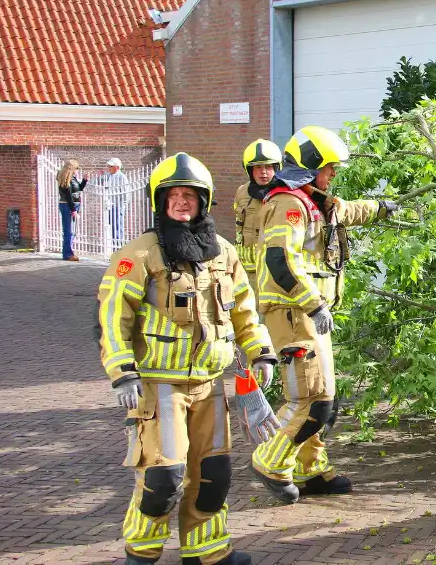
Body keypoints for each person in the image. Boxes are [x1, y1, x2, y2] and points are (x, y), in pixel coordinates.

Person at [98, 152, 278, 565]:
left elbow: (244, 310)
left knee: (213, 475)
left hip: (210, 385)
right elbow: (112, 315)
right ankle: (141, 553)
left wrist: (261, 352)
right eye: (173, 196)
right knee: (163, 477)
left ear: (203, 201)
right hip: (159, 386)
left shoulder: (224, 254)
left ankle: (207, 552)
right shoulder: (139, 254)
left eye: (190, 196)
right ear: (161, 201)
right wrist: (122, 372)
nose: (181, 202)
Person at [250, 126, 400, 504]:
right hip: (293, 312)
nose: (333, 173)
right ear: (311, 166)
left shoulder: (315, 201)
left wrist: (384, 207)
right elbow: (281, 260)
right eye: (329, 167)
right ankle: (270, 459)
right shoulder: (289, 204)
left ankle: (310, 469)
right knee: (312, 400)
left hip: (308, 313)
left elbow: (348, 211)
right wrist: (314, 304)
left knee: (324, 398)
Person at [232, 140, 283, 298]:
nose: (263, 172)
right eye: (258, 167)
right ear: (250, 170)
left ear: (276, 168)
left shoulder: (285, 195)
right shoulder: (242, 192)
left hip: (274, 274)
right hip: (245, 273)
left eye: (268, 167)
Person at [57, 159, 89, 261]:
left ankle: (68, 253)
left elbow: (79, 189)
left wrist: (84, 180)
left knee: (71, 231)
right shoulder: (66, 179)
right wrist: (73, 210)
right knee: (69, 231)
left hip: (71, 206)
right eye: (76, 169)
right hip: (68, 206)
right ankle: (67, 254)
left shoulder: (72, 178)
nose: (77, 171)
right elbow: (68, 196)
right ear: (71, 169)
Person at [101, 157, 129, 252]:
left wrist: (122, 206)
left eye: (111, 166)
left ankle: (119, 249)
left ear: (117, 167)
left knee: (117, 228)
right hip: (109, 206)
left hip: (117, 206)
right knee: (111, 228)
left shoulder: (122, 177)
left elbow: (126, 194)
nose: (109, 168)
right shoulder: (108, 176)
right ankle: (114, 249)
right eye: (109, 166)